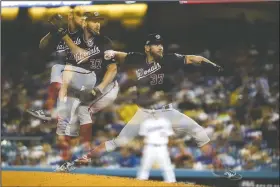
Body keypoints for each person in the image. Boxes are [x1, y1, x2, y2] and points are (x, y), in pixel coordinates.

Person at [58, 33, 225, 173]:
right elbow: (114, 54)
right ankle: (77, 162)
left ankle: (220, 169)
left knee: (200, 132)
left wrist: (213, 64)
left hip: (166, 112)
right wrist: (109, 53)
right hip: (144, 113)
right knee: (118, 142)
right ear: (147, 48)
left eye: (161, 44)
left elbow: (195, 58)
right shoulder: (136, 58)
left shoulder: (170, 59)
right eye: (155, 44)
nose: (160, 47)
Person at [53, 12, 119, 170]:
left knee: (83, 110)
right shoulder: (76, 42)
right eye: (93, 21)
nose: (98, 24)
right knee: (73, 117)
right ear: (84, 23)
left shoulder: (104, 42)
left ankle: (84, 153)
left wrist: (100, 88)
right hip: (88, 88)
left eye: (99, 21)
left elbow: (113, 68)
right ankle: (73, 159)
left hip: (107, 87)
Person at [27, 8, 84, 121]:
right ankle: (50, 112)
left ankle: (65, 113)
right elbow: (42, 46)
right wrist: (51, 32)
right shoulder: (57, 35)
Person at [137, 117, 176, 183]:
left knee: (167, 167)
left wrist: (169, 148)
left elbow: (170, 136)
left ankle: (171, 183)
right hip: (149, 146)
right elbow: (142, 136)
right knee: (144, 167)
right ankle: (140, 183)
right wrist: (142, 147)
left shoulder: (165, 121)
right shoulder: (146, 122)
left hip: (162, 146)